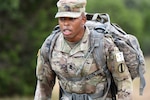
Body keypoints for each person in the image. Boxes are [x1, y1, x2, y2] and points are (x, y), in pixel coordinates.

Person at [34, 0, 133, 100]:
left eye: (72, 19)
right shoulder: (50, 45)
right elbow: (43, 85)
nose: (66, 24)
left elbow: (123, 81)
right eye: (62, 19)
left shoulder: (103, 44)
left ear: (83, 20)